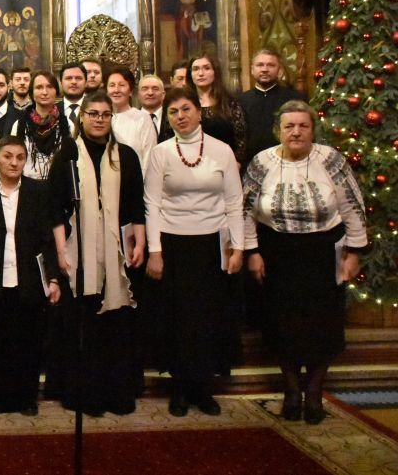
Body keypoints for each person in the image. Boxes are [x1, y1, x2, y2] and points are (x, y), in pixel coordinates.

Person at [243, 101, 367, 425]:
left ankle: (313, 390)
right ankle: (291, 389)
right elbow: (245, 212)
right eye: (289, 126)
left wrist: (354, 253)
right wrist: (252, 252)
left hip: (323, 254)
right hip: (278, 253)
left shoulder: (332, 160)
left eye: (303, 126)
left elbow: (353, 207)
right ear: (278, 130)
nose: (296, 131)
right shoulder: (261, 162)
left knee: (321, 326)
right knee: (282, 324)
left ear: (312, 129)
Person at [143, 87, 243, 417]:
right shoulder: (160, 153)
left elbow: (233, 201)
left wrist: (238, 246)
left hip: (212, 245)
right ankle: (181, 389)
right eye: (173, 112)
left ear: (200, 112)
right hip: (173, 245)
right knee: (177, 321)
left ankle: (204, 388)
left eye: (186, 109)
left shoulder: (222, 151)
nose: (181, 117)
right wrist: (155, 251)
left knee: (207, 319)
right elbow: (152, 204)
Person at [46, 92, 145, 417]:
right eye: (93, 113)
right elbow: (56, 210)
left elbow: (135, 206)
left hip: (117, 251)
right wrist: (61, 252)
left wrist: (140, 243)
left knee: (115, 323)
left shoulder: (126, 156)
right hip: (78, 254)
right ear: (82, 117)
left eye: (105, 114)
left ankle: (116, 392)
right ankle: (82, 392)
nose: (99, 119)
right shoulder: (67, 156)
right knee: (83, 322)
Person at [0, 136, 59, 416]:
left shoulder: (38, 191)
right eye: (8, 156)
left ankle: (27, 398)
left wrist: (54, 278)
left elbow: (48, 239)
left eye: (20, 157)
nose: (13, 162)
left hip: (29, 279)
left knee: (29, 342)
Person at [239, 48, 303, 166]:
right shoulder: (240, 100)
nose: (264, 69)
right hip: (249, 164)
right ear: (252, 70)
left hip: (286, 163)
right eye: (260, 65)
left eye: (270, 65)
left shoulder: (295, 99)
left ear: (279, 70)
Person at [185, 52, 247, 165]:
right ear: (190, 74)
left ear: (215, 72)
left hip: (225, 165)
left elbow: (241, 140)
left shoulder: (229, 103)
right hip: (189, 165)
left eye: (206, 68)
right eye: (195, 69)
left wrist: (236, 164)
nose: (200, 73)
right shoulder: (183, 104)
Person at [10, 70, 69, 179]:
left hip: (60, 185)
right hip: (28, 186)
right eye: (39, 87)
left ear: (56, 91)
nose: (45, 92)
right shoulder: (20, 125)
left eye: (50, 87)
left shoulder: (66, 124)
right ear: (32, 92)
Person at [105, 66, 157, 171]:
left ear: (130, 91)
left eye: (122, 85)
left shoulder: (142, 118)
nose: (116, 90)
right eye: (112, 85)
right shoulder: (101, 118)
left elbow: (149, 158)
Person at [58, 63, 87, 134]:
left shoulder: (96, 109)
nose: (74, 82)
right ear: (61, 82)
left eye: (78, 78)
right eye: (68, 78)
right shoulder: (52, 111)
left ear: (86, 82)